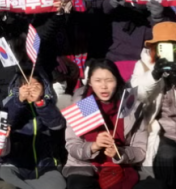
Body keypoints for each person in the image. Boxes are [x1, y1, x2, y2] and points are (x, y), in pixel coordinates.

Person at [63, 59, 147, 189]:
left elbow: (140, 150)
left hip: (121, 167)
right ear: (90, 82)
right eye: (98, 81)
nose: (104, 86)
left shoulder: (130, 105)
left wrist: (120, 153)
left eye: (109, 80)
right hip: (85, 167)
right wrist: (94, 146)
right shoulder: (83, 103)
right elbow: (72, 146)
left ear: (117, 80)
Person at [130, 21, 176, 185]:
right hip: (162, 130)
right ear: (154, 47)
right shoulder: (142, 65)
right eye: (163, 46)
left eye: (173, 45)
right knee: (166, 156)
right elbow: (138, 96)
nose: (169, 50)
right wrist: (154, 75)